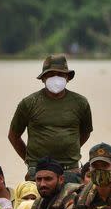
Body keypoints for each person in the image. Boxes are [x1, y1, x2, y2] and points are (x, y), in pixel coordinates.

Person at [8, 54, 93, 183]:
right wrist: (30, 161)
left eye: (60, 74)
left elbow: (86, 132)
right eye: (51, 74)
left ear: (67, 78)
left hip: (70, 170)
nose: (56, 78)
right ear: (43, 78)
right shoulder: (29, 103)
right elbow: (13, 136)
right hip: (38, 172)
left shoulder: (81, 103)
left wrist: (70, 149)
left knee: (73, 203)